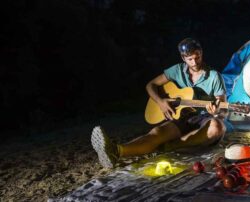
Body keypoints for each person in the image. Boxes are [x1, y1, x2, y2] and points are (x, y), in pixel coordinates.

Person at [91, 38, 233, 169]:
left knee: (217, 126)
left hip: (204, 118)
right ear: (183, 58)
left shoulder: (214, 76)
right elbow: (150, 85)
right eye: (190, 59)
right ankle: (116, 151)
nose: (195, 62)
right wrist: (161, 102)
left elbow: (223, 110)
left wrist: (216, 112)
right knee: (157, 133)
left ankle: (169, 146)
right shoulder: (176, 70)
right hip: (181, 117)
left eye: (197, 57)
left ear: (201, 53)